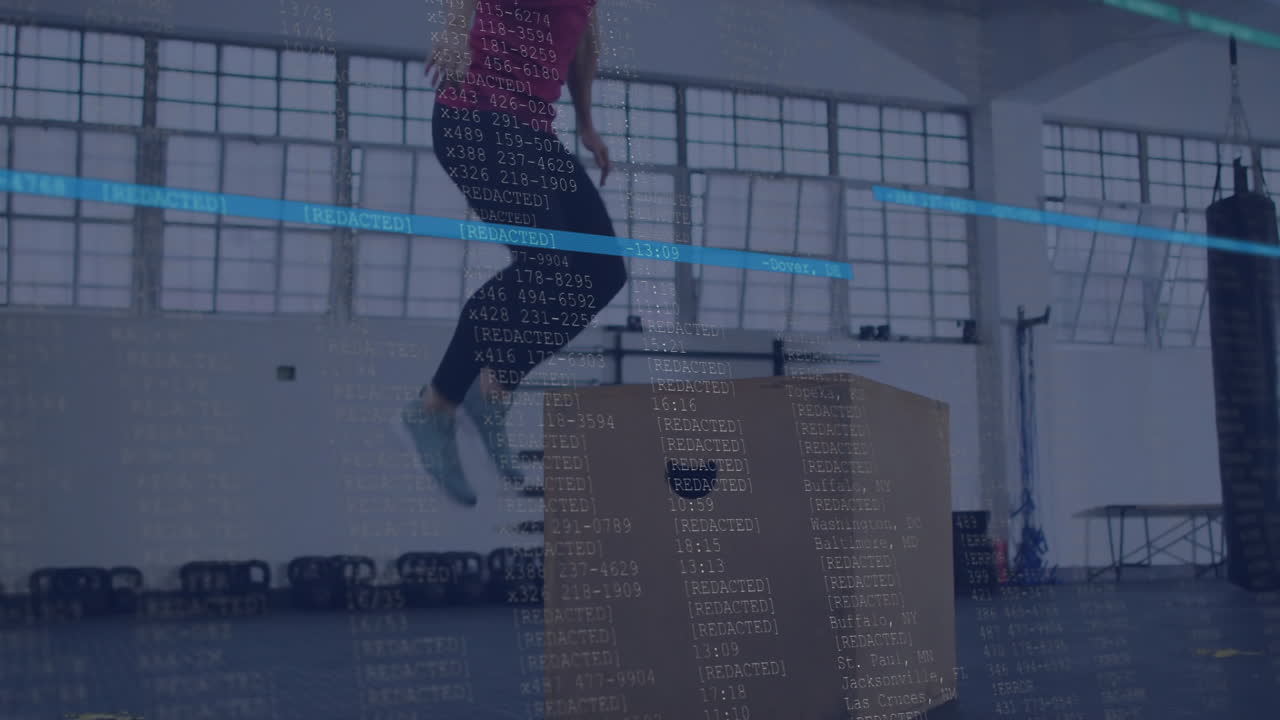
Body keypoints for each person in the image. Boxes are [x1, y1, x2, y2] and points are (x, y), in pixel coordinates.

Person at [396, 0, 627, 506]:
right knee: (546, 264)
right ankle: (435, 405)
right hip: (473, 115)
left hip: (531, 128)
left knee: (602, 272)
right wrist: (456, 29)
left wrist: (586, 122)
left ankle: (495, 383)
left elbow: (584, 36)